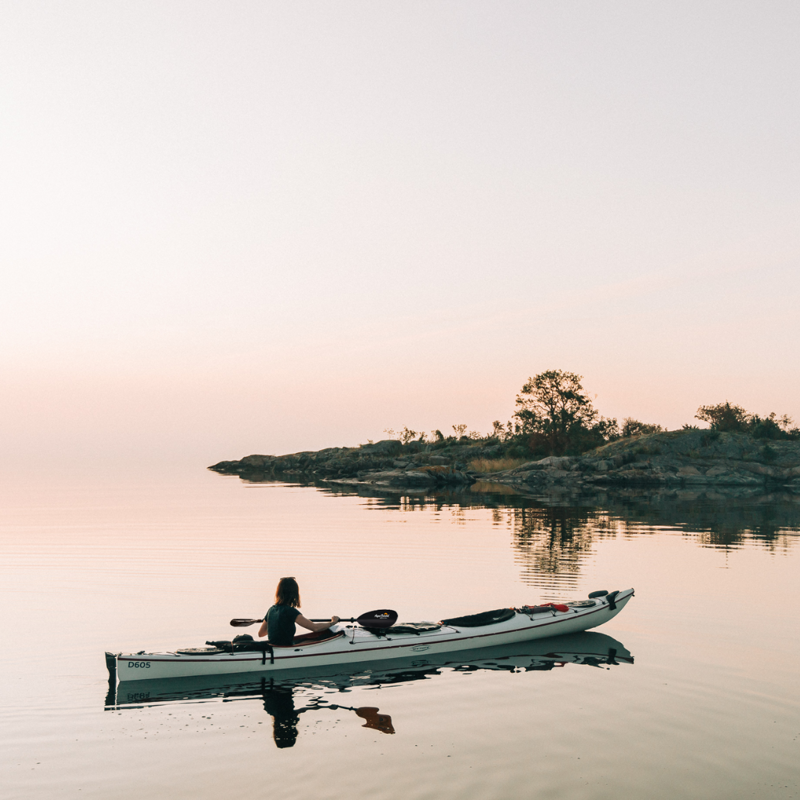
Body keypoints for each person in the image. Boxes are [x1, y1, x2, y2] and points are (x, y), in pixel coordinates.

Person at [258, 577, 340, 646]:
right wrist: (332, 623)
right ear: (294, 593)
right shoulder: (290, 611)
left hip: (274, 647)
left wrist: (276, 624)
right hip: (285, 648)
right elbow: (315, 628)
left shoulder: (271, 610)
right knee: (316, 639)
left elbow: (261, 633)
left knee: (307, 640)